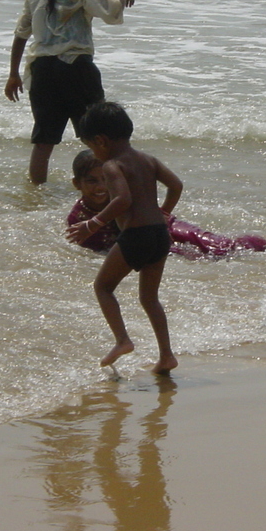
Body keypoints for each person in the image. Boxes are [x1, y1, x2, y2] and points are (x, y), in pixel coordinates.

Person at [5, 0, 134, 184]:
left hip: (41, 70)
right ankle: (107, 190)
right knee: (99, 136)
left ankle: (36, 195)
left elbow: (21, 32)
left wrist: (13, 74)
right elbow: (108, 12)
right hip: (76, 68)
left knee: (44, 140)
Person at [67, 102, 183, 373]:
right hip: (160, 235)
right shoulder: (148, 159)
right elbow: (176, 185)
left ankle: (122, 340)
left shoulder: (111, 165)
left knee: (103, 288)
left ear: (100, 140)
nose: (94, 153)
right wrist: (163, 212)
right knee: (149, 298)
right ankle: (166, 356)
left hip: (136, 236)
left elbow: (122, 199)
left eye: (91, 146)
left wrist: (91, 224)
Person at [67, 150, 266, 258]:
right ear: (77, 184)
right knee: (187, 257)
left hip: (163, 226)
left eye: (105, 180)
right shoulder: (78, 218)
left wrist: (162, 214)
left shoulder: (120, 197)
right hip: (144, 244)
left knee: (218, 247)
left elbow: (172, 187)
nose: (101, 187)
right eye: (91, 181)